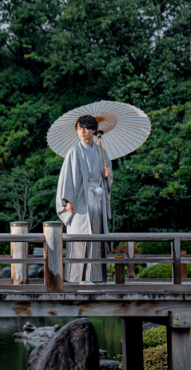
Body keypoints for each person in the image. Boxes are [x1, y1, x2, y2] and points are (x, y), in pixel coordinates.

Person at [55, 115, 113, 284]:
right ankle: (77, 277)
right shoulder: (74, 151)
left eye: (86, 128)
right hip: (80, 199)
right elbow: (66, 178)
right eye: (80, 128)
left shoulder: (102, 151)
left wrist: (106, 175)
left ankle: (95, 276)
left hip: (97, 196)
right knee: (81, 236)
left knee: (96, 234)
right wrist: (67, 201)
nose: (82, 131)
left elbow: (107, 170)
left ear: (94, 130)